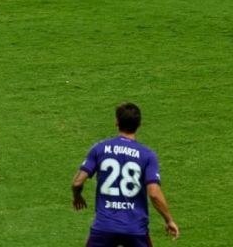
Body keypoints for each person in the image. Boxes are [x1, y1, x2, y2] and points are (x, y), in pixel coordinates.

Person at [72, 103, 179, 246]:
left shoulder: (100, 148)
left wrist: (77, 196)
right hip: (135, 229)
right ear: (139, 124)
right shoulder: (147, 155)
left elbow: (77, 182)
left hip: (104, 227)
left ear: (116, 122)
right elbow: (154, 193)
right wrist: (169, 220)